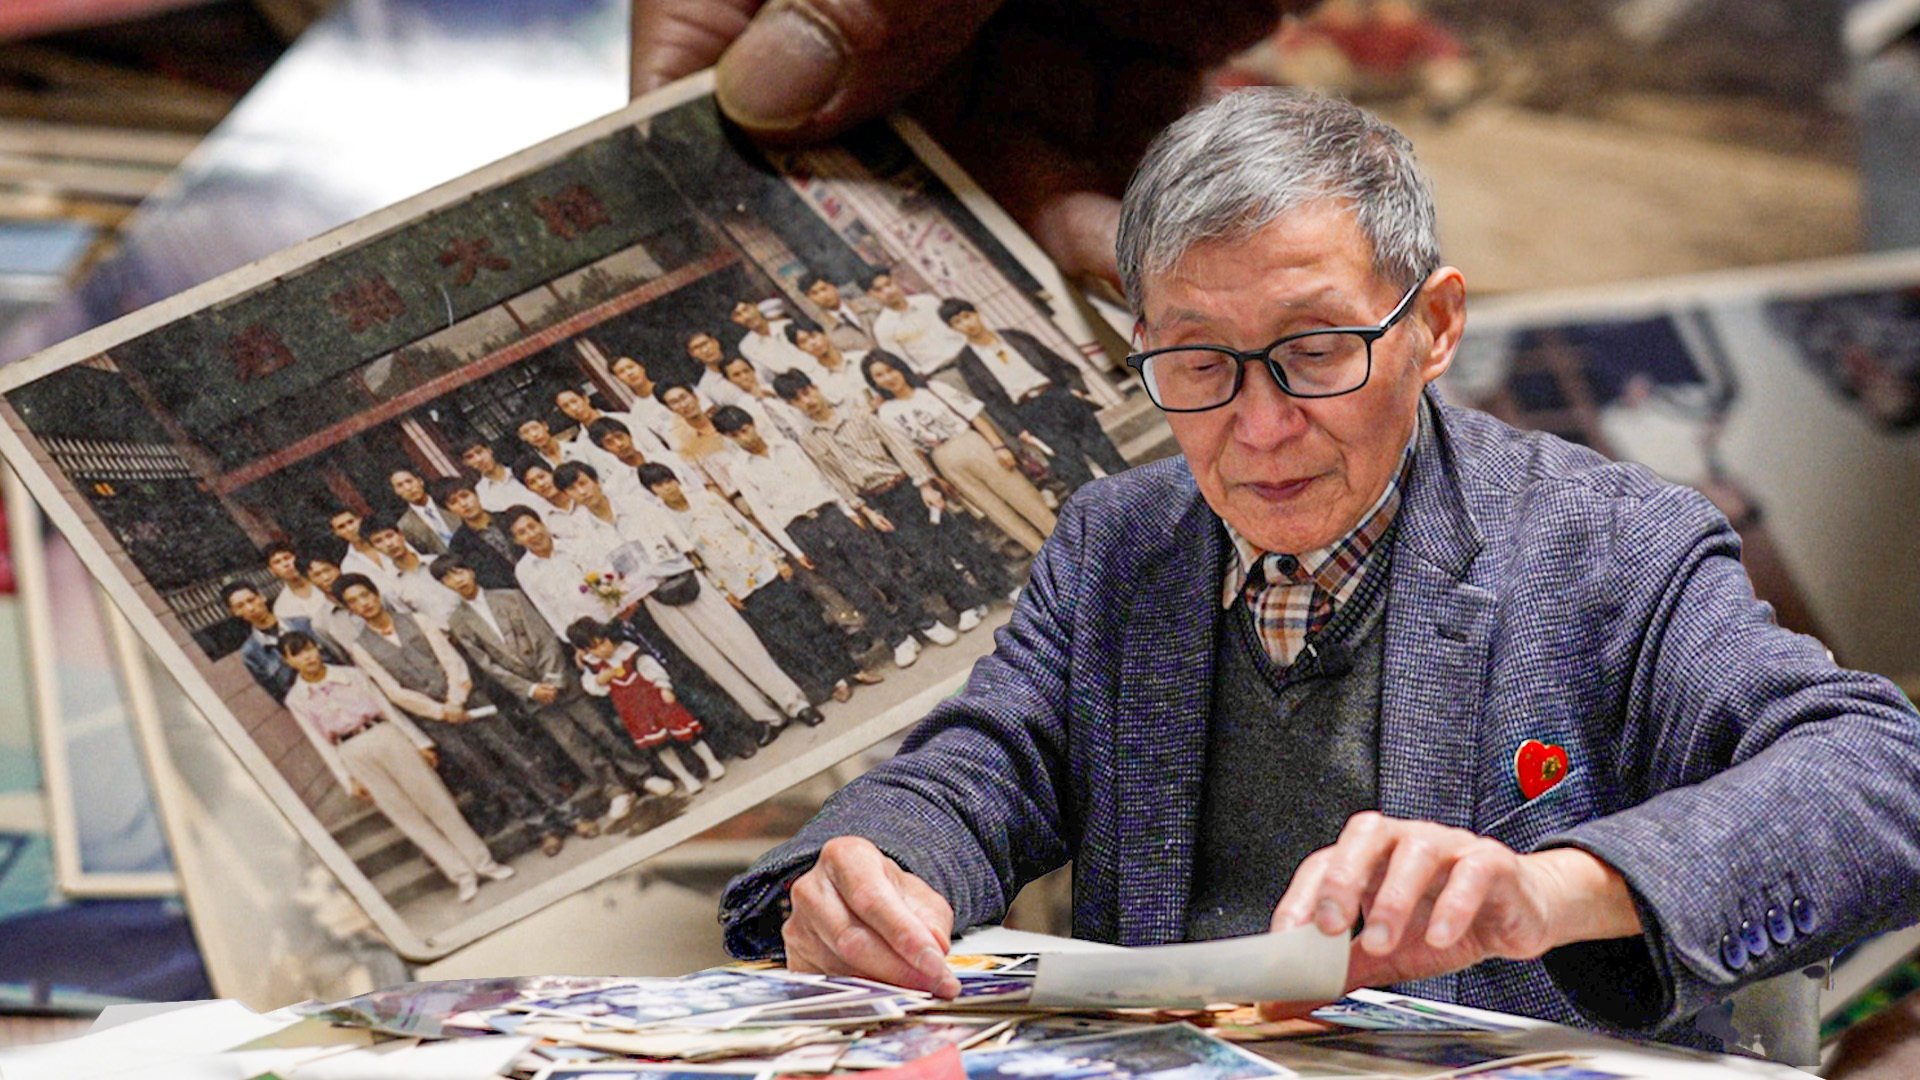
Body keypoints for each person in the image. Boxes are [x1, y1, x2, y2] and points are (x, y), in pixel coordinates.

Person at [718, 89, 1920, 1054]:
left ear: (1435, 325)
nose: (1260, 426)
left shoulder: (1609, 544)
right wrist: (881, 868)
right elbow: (989, 761)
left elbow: (1879, 776)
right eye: (1196, 363)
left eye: (1314, 350)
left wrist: (1560, 888)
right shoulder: (1117, 543)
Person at [335, 572, 589, 856]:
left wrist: (456, 700)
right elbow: (393, 691)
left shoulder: (417, 620)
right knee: (488, 774)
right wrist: (440, 712)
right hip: (439, 722)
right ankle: (542, 827)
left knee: (521, 757)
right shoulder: (361, 648)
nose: (364, 603)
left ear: (375, 594)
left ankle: (570, 815)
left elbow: (451, 659)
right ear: (350, 610)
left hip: (470, 701)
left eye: (365, 595)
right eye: (354, 602)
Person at [711, 404, 958, 671]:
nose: (744, 437)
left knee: (881, 571)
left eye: (745, 429)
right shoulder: (740, 469)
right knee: (853, 588)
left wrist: (847, 510)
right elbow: (763, 511)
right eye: (735, 434)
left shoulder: (787, 446)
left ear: (753, 424)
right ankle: (897, 639)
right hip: (800, 528)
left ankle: (925, 622)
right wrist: (793, 550)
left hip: (831, 514)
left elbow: (822, 478)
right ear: (729, 438)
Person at [278, 631, 512, 903]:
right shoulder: (297, 699)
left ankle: (484, 863)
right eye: (298, 654)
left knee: (435, 800)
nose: (308, 657)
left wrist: (419, 741)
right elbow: (320, 742)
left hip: (385, 734)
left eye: (309, 649)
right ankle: (461, 875)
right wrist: (347, 779)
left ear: (317, 648)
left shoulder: (350, 675)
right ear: (288, 661)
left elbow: (387, 709)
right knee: (405, 815)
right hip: (351, 750)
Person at [774, 369, 1010, 631]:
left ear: (815, 387)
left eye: (806, 392)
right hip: (876, 500)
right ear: (791, 405)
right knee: (922, 555)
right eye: (797, 399)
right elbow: (835, 478)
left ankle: (1002, 586)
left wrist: (924, 485)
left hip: (906, 485)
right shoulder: (811, 439)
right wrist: (865, 511)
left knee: (954, 537)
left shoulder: (856, 411)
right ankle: (965, 603)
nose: (807, 401)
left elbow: (897, 446)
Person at [433, 557, 665, 823]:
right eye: (449, 578)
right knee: (572, 743)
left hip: (558, 677)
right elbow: (487, 664)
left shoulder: (510, 596)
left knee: (599, 728)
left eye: (460, 570)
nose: (458, 579)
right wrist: (530, 689)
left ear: (471, 570)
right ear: (444, 585)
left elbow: (543, 636)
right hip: (530, 692)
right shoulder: (459, 621)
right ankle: (615, 790)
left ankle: (642, 774)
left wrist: (552, 679)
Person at [638, 461, 880, 706]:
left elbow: (745, 527)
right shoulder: (668, 524)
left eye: (669, 480)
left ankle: (851, 669)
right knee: (787, 637)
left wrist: (776, 559)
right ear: (652, 491)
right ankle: (834, 681)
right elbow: (696, 562)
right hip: (739, 585)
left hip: (763, 568)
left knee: (810, 620)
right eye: (659, 485)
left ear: (677, 479)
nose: (667, 488)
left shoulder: (707, 500)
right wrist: (723, 591)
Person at [865, 350, 1056, 554]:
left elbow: (975, 417)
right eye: (879, 375)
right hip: (942, 459)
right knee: (997, 512)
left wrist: (998, 446)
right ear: (874, 382)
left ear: (900, 367)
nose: (888, 378)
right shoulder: (887, 412)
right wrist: (936, 479)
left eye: (890, 370)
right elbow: (913, 451)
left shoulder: (932, 388)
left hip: (970, 443)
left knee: (1024, 496)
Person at [943, 298, 1130, 494]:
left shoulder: (1016, 337)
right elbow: (990, 401)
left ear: (976, 313)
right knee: (1075, 473)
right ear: (953, 328)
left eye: (967, 316)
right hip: (1031, 412)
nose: (967, 324)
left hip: (1060, 397)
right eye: (957, 322)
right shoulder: (967, 361)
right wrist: (1018, 429)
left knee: (1108, 455)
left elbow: (1061, 365)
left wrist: (1076, 391)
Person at [568, 617, 727, 795]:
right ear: (586, 651)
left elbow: (652, 668)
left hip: (656, 701)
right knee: (660, 745)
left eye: (603, 642)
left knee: (686, 733)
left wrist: (664, 687)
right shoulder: (594, 667)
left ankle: (711, 762)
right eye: (595, 648)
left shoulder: (630, 652)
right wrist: (600, 680)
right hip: (634, 710)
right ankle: (686, 777)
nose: (603, 649)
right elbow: (591, 687)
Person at [225, 581, 344, 701]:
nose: (250, 608)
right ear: (235, 612)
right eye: (240, 606)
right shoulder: (251, 652)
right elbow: (279, 694)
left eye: (251, 600)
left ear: (261, 597)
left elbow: (338, 656)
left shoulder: (303, 624)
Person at [364, 514, 459, 629]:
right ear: (374, 548)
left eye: (390, 536)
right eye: (378, 541)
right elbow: (415, 622)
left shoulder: (437, 561)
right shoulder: (392, 588)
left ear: (401, 535)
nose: (388, 544)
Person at [866, 271, 968, 378]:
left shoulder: (928, 301)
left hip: (968, 356)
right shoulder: (882, 327)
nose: (888, 291)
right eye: (878, 290)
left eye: (889, 284)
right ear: (870, 295)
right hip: (942, 373)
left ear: (895, 282)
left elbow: (956, 325)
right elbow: (901, 361)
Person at [434, 477, 522, 591]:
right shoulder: (459, 546)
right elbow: (484, 578)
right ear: (448, 509)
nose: (463, 504)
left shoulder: (510, 518)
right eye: (453, 502)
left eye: (465, 496)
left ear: (475, 494)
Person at [264, 541, 355, 644]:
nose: (286, 564)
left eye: (287, 557)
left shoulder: (326, 582)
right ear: (272, 570)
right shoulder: (281, 608)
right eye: (277, 562)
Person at [607, 355, 687, 447]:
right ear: (618, 379)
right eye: (621, 372)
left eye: (631, 367)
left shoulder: (674, 387)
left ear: (641, 367)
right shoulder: (636, 413)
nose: (629, 373)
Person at [458, 437, 540, 516]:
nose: (479, 459)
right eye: (470, 457)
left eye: (479, 452)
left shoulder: (521, 471)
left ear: (489, 450)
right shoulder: (481, 493)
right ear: (466, 463)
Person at [802, 273, 878, 354]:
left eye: (824, 289)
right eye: (815, 293)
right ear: (809, 299)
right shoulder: (826, 332)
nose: (823, 296)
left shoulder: (869, 304)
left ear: (834, 287)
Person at [390, 468, 455, 556]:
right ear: (396, 492)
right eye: (400, 485)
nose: (408, 488)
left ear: (420, 481)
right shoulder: (404, 526)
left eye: (409, 481)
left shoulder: (447, 502)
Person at [687, 331, 753, 410]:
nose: (705, 350)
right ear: (692, 353)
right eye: (696, 348)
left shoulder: (745, 360)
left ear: (715, 342)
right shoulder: (706, 387)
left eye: (705, 343)